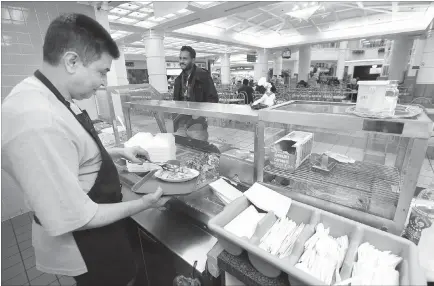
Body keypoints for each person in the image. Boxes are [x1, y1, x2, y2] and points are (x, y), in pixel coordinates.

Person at [1, 14, 169, 286]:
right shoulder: (37, 119)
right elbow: (78, 216)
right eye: (102, 71)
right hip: (87, 243)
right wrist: (143, 204)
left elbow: (71, 150)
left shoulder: (50, 95)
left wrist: (117, 152)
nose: (103, 82)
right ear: (72, 61)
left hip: (103, 228)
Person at [172, 46, 219, 152]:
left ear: (193, 60)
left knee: (199, 152)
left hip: (197, 123)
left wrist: (200, 112)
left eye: (185, 58)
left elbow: (213, 98)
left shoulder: (203, 76)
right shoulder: (178, 80)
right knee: (181, 151)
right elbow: (176, 101)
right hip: (181, 122)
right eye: (180, 58)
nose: (181, 61)